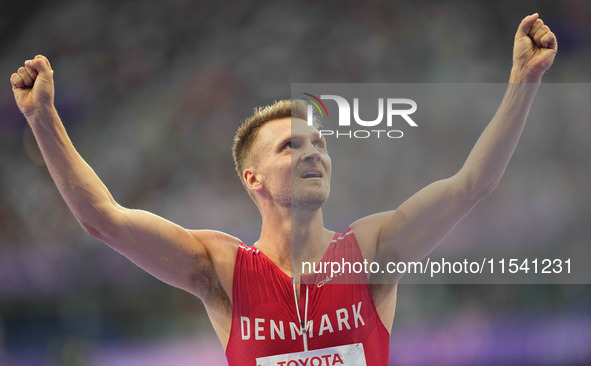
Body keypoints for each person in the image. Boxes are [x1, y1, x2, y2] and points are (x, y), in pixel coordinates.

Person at [10, 13, 556, 365]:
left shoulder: (370, 252)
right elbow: (102, 219)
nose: (314, 152)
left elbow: (470, 187)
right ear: (253, 180)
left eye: (319, 144)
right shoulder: (220, 270)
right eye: (290, 147)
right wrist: (43, 118)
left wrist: (522, 84)